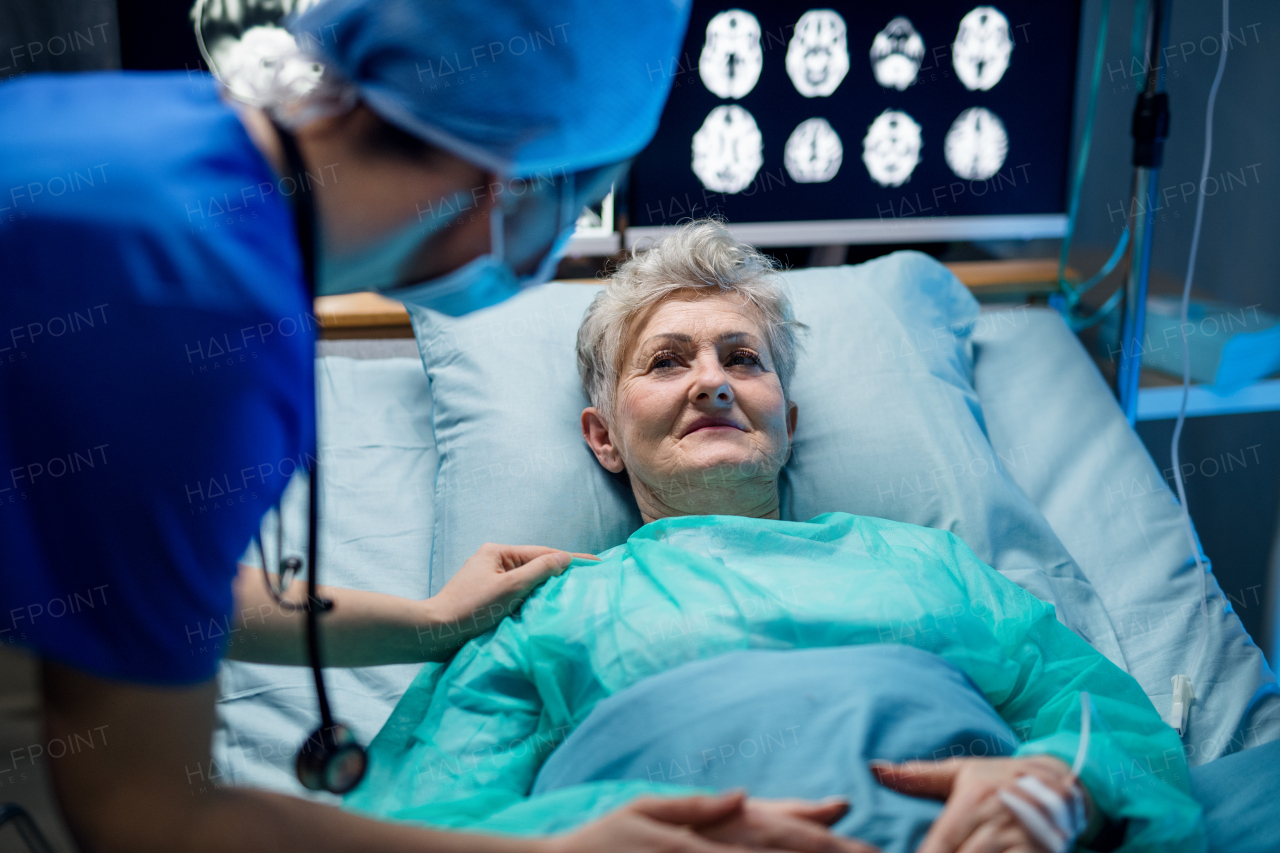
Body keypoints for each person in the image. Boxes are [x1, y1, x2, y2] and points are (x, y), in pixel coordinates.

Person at [0, 1, 866, 850]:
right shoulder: (204, 318)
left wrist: (425, 621)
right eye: (573, 209)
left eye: (742, 358)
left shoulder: (142, 137)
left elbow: (130, 578)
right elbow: (144, 815)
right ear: (507, 187)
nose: (550, 254)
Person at [337, 221, 1205, 853]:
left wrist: (1058, 788)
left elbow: (1114, 729)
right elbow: (417, 821)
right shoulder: (550, 610)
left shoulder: (927, 565)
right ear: (602, 435)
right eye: (668, 360)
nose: (712, 381)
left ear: (784, 422)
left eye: (742, 359)